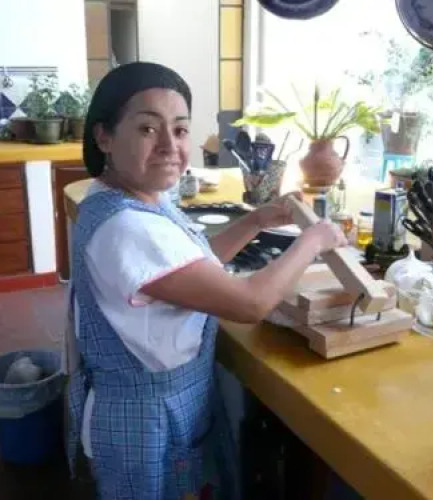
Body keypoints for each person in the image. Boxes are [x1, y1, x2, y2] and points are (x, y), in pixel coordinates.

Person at [65, 61, 347, 499]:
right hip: (145, 418)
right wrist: (312, 241)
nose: (169, 146)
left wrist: (255, 220)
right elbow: (250, 303)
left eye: (179, 130)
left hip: (156, 404)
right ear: (104, 137)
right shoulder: (127, 227)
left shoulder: (128, 198)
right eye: (147, 129)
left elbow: (189, 265)